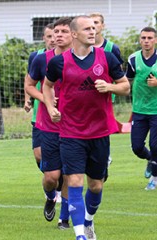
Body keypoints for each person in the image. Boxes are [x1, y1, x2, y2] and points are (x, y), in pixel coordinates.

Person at [43, 15, 130, 240]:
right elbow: (47, 86)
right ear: (74, 34)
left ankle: (89, 221)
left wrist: (109, 86)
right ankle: (80, 235)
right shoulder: (58, 62)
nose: (92, 32)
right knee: (74, 181)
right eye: (87, 29)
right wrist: (51, 107)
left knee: (96, 186)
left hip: (100, 132)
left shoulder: (107, 58)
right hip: (71, 132)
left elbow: (125, 87)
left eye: (94, 28)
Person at [26, 17, 72, 230]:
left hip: (74, 126)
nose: (58, 36)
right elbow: (29, 85)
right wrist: (45, 98)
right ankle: (50, 196)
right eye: (56, 32)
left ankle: (64, 219)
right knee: (52, 177)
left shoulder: (81, 60)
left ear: (74, 34)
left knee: (69, 174)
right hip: (48, 125)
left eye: (64, 31)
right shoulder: (41, 59)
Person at [89, 12, 126, 181]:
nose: (93, 26)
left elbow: (119, 75)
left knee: (102, 131)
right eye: (90, 23)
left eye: (96, 22)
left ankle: (103, 158)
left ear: (103, 26)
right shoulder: (79, 48)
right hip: (84, 98)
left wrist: (109, 87)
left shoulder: (111, 49)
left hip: (105, 98)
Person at [126, 26, 157, 190]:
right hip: (139, 110)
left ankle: (154, 178)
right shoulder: (133, 59)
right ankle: (152, 161)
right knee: (137, 147)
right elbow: (127, 81)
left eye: (150, 38)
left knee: (156, 145)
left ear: (155, 40)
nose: (146, 41)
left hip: (156, 111)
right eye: (143, 38)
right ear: (140, 40)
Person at [24, 23, 55, 171]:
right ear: (43, 38)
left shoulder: (66, 57)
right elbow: (29, 80)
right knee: (38, 154)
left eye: (54, 36)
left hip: (59, 114)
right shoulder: (36, 57)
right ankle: (50, 179)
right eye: (49, 36)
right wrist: (27, 99)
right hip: (39, 113)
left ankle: (56, 184)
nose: (52, 40)